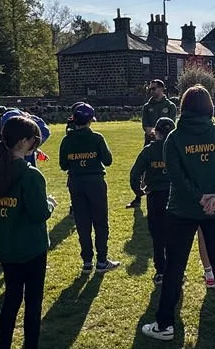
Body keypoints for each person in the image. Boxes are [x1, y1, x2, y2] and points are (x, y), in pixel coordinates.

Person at [141, 85, 215, 340]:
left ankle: (165, 324)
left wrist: (200, 196)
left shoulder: (174, 138)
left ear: (183, 107)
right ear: (209, 107)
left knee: (174, 266)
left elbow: (175, 175)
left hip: (182, 210)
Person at [0, 114, 57, 349]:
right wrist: (50, 203)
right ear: (25, 142)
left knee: (11, 300)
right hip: (31, 248)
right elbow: (39, 213)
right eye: (35, 140)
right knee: (33, 302)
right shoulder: (30, 176)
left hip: (6, 248)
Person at [59, 101, 119, 272]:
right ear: (90, 120)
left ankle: (87, 261)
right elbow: (108, 160)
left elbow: (63, 165)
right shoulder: (97, 138)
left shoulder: (67, 140)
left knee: (82, 222)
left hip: (76, 183)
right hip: (95, 183)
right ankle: (102, 260)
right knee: (100, 222)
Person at [128, 116, 173, 283]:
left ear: (156, 132)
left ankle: (161, 270)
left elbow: (135, 174)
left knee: (158, 235)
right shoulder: (176, 149)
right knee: (175, 236)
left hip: (154, 196)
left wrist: (138, 191)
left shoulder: (149, 150)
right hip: (175, 196)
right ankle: (176, 271)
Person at [130, 80, 176, 208]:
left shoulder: (170, 106)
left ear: (161, 88)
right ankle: (139, 195)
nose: (151, 91)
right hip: (150, 140)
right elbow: (145, 124)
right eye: (150, 89)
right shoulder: (147, 106)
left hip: (166, 141)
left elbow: (171, 124)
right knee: (145, 167)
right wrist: (150, 131)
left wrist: (160, 132)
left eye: (154, 88)